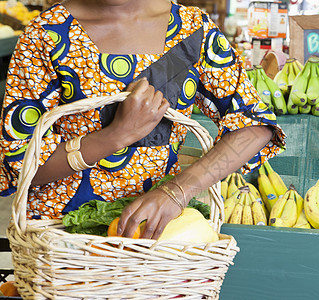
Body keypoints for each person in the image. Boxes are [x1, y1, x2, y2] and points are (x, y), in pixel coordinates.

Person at [0, 0, 286, 239]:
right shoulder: (47, 34)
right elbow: (18, 165)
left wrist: (177, 191)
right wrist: (116, 135)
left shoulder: (192, 30)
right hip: (63, 238)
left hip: (159, 236)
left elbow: (254, 125)